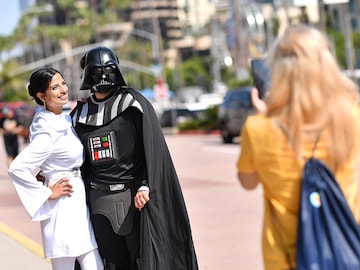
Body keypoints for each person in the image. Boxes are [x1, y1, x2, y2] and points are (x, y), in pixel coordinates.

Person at [236, 24, 360, 270]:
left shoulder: (258, 128)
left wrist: (267, 114)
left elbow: (247, 182)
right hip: (346, 250)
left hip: (285, 260)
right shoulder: (352, 116)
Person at [70, 46, 198, 270]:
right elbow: (71, 157)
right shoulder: (78, 115)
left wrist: (146, 185)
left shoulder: (134, 105)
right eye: (97, 71)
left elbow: (153, 151)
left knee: (144, 260)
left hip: (135, 199)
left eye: (107, 70)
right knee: (110, 262)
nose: (102, 76)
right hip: (98, 200)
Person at [8, 68, 104, 270]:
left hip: (77, 200)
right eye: (55, 87)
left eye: (63, 83)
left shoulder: (62, 120)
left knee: (94, 264)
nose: (63, 90)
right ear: (41, 96)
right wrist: (46, 193)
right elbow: (17, 168)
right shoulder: (47, 131)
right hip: (62, 206)